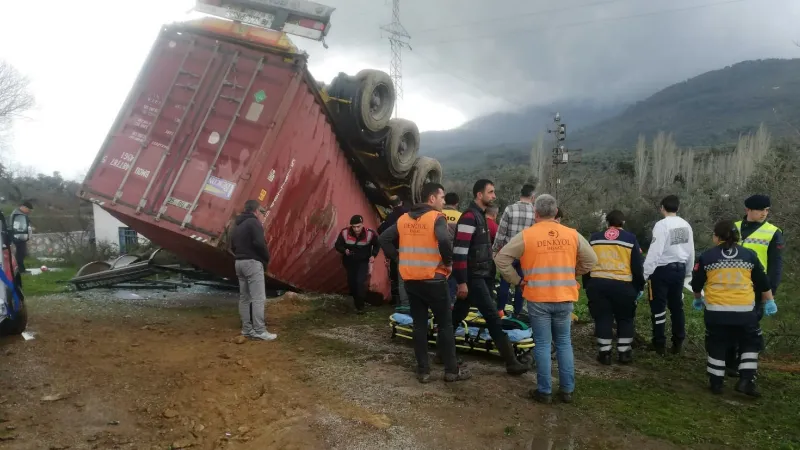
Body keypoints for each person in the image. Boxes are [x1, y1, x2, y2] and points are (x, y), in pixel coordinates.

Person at [495, 194, 597, 403]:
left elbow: (502, 258)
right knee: (564, 343)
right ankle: (567, 390)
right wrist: (572, 272)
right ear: (555, 211)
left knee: (542, 344)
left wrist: (517, 281)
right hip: (564, 297)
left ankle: (544, 391)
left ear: (536, 213)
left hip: (538, 298)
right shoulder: (572, 235)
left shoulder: (527, 235)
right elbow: (592, 259)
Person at [378, 183, 470, 383]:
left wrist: (398, 258)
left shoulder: (403, 219)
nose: (443, 202)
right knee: (445, 325)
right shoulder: (436, 218)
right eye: (442, 197)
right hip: (435, 280)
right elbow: (445, 241)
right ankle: (451, 371)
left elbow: (383, 238)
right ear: (431, 199)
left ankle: (423, 371)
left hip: (411, 280)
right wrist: (449, 263)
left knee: (419, 325)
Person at [691, 220, 777, 397]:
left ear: (716, 237)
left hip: (716, 311)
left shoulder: (707, 256)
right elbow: (763, 282)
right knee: (750, 342)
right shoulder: (749, 255)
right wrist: (769, 301)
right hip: (744, 312)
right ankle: (746, 380)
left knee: (717, 343)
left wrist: (698, 299)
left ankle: (716, 383)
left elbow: (697, 283)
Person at [453, 179, 529, 376]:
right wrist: (462, 281)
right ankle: (511, 362)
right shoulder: (470, 217)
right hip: (473, 279)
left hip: (481, 277)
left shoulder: (480, 218)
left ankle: (442, 353)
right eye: (491, 192)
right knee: (493, 318)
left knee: (457, 316)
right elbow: (460, 252)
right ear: (480, 195)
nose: (494, 196)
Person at [726, 194, 784, 377]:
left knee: (748, 328)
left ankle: (744, 366)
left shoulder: (773, 232)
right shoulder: (733, 228)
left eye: (767, 210)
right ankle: (729, 363)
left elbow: (776, 266)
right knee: (729, 326)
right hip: (730, 286)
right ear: (748, 210)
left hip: (756, 288)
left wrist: (770, 295)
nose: (765, 213)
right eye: (761, 210)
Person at [583, 210, 645, 365]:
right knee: (625, 318)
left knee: (603, 317)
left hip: (598, 285)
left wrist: (587, 284)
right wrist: (639, 286)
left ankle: (604, 353)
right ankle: (624, 353)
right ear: (623, 223)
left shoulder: (595, 238)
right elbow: (637, 266)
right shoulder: (630, 239)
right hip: (623, 286)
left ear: (607, 223)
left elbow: (587, 262)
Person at [643, 195, 695, 356]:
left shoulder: (661, 225)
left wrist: (645, 274)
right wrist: (688, 271)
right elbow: (691, 250)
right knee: (677, 307)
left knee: (658, 308)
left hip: (661, 270)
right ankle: (678, 342)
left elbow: (655, 252)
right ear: (678, 208)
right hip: (679, 269)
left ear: (662, 208)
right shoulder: (685, 225)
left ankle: (659, 343)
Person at [230, 200, 277, 341]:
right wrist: (266, 257)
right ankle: (260, 331)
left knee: (245, 298)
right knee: (258, 298)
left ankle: (246, 329)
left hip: (239, 262)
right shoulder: (254, 222)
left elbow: (232, 245)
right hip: (252, 262)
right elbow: (259, 242)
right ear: (256, 211)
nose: (262, 215)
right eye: (261, 212)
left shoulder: (237, 225)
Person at [492, 184, 535, 317]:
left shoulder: (510, 209)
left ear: (520, 194)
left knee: (505, 282)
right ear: (533, 196)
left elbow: (501, 232)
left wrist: (495, 250)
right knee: (521, 284)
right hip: (525, 254)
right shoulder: (535, 212)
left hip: (509, 253)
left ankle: (500, 310)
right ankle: (517, 313)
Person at [335, 215, 380, 314]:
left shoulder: (370, 234)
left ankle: (360, 307)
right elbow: (338, 245)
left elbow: (377, 244)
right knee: (352, 282)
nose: (356, 229)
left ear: (362, 225)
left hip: (363, 261)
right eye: (354, 227)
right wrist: (344, 250)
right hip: (349, 261)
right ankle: (356, 301)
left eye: (358, 226)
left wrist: (373, 255)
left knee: (360, 282)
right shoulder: (344, 232)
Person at [378, 196, 410, 310]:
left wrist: (394, 256)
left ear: (391, 206)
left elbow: (381, 232)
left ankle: (404, 305)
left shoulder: (390, 217)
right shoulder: (409, 214)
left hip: (397, 251)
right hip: (413, 250)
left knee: (400, 280)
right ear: (401, 202)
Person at [443, 192, 462, 304]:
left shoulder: (437, 213)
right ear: (457, 203)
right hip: (454, 251)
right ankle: (450, 302)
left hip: (438, 251)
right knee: (453, 277)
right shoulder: (461, 216)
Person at [11, 201, 33, 273]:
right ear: (24, 207)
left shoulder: (21, 214)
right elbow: (17, 226)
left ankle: (21, 269)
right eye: (28, 210)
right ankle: (20, 270)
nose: (28, 212)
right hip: (18, 237)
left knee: (22, 253)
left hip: (21, 237)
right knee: (20, 254)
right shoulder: (17, 215)